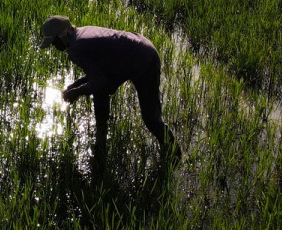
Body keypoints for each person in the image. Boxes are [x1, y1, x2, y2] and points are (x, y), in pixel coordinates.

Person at [39, 15, 181, 174]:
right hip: (137, 49)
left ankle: (174, 154)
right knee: (100, 91)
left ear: (63, 35)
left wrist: (76, 92)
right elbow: (98, 74)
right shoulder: (80, 35)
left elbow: (99, 80)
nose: (54, 47)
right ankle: (101, 144)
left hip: (143, 59)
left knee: (150, 118)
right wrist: (76, 85)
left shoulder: (76, 48)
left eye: (54, 42)